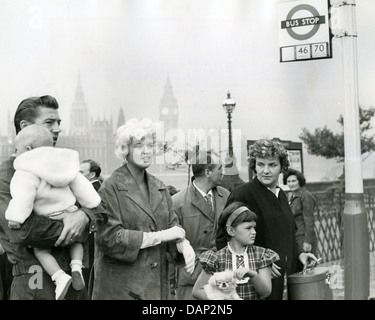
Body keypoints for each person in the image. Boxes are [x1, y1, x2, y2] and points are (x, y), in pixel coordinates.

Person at [0, 95, 100, 300]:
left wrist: (84, 217)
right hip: (34, 283)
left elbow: (101, 208)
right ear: (25, 126)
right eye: (49, 123)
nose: (57, 129)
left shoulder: (64, 166)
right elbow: (22, 231)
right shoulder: (6, 175)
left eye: (59, 122)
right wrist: (75, 225)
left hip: (74, 287)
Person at [91, 118, 195, 300]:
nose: (147, 151)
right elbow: (108, 238)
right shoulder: (110, 188)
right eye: (139, 146)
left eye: (150, 145)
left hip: (156, 288)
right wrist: (159, 236)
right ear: (125, 150)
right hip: (121, 289)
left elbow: (173, 227)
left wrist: (181, 244)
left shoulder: (160, 187)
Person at [217, 138, 317, 300]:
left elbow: (288, 235)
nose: (265, 170)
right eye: (260, 164)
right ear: (254, 166)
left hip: (285, 280)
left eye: (272, 165)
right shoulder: (243, 194)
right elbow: (223, 239)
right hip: (255, 285)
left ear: (282, 167)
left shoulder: (282, 195)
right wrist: (256, 267)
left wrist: (300, 255)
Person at [172, 150, 230, 299]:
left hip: (223, 275)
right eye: (220, 168)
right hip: (192, 277)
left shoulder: (226, 196)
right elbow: (170, 248)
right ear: (207, 172)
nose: (223, 172)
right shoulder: (177, 202)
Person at [192, 202, 279, 300]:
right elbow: (197, 291)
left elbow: (266, 292)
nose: (254, 232)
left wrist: (253, 275)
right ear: (231, 231)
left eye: (254, 227)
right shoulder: (216, 258)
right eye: (248, 228)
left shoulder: (262, 255)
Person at [79, 158, 102, 298]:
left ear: (92, 174)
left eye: (81, 172)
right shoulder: (99, 188)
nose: (78, 175)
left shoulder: (90, 192)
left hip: (89, 244)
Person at [283, 168, 318, 256]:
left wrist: (308, 241)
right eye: (289, 181)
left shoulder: (305, 196)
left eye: (294, 181)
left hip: (303, 237)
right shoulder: (292, 195)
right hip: (295, 236)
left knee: (307, 265)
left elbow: (309, 219)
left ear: (299, 181)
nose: (291, 184)